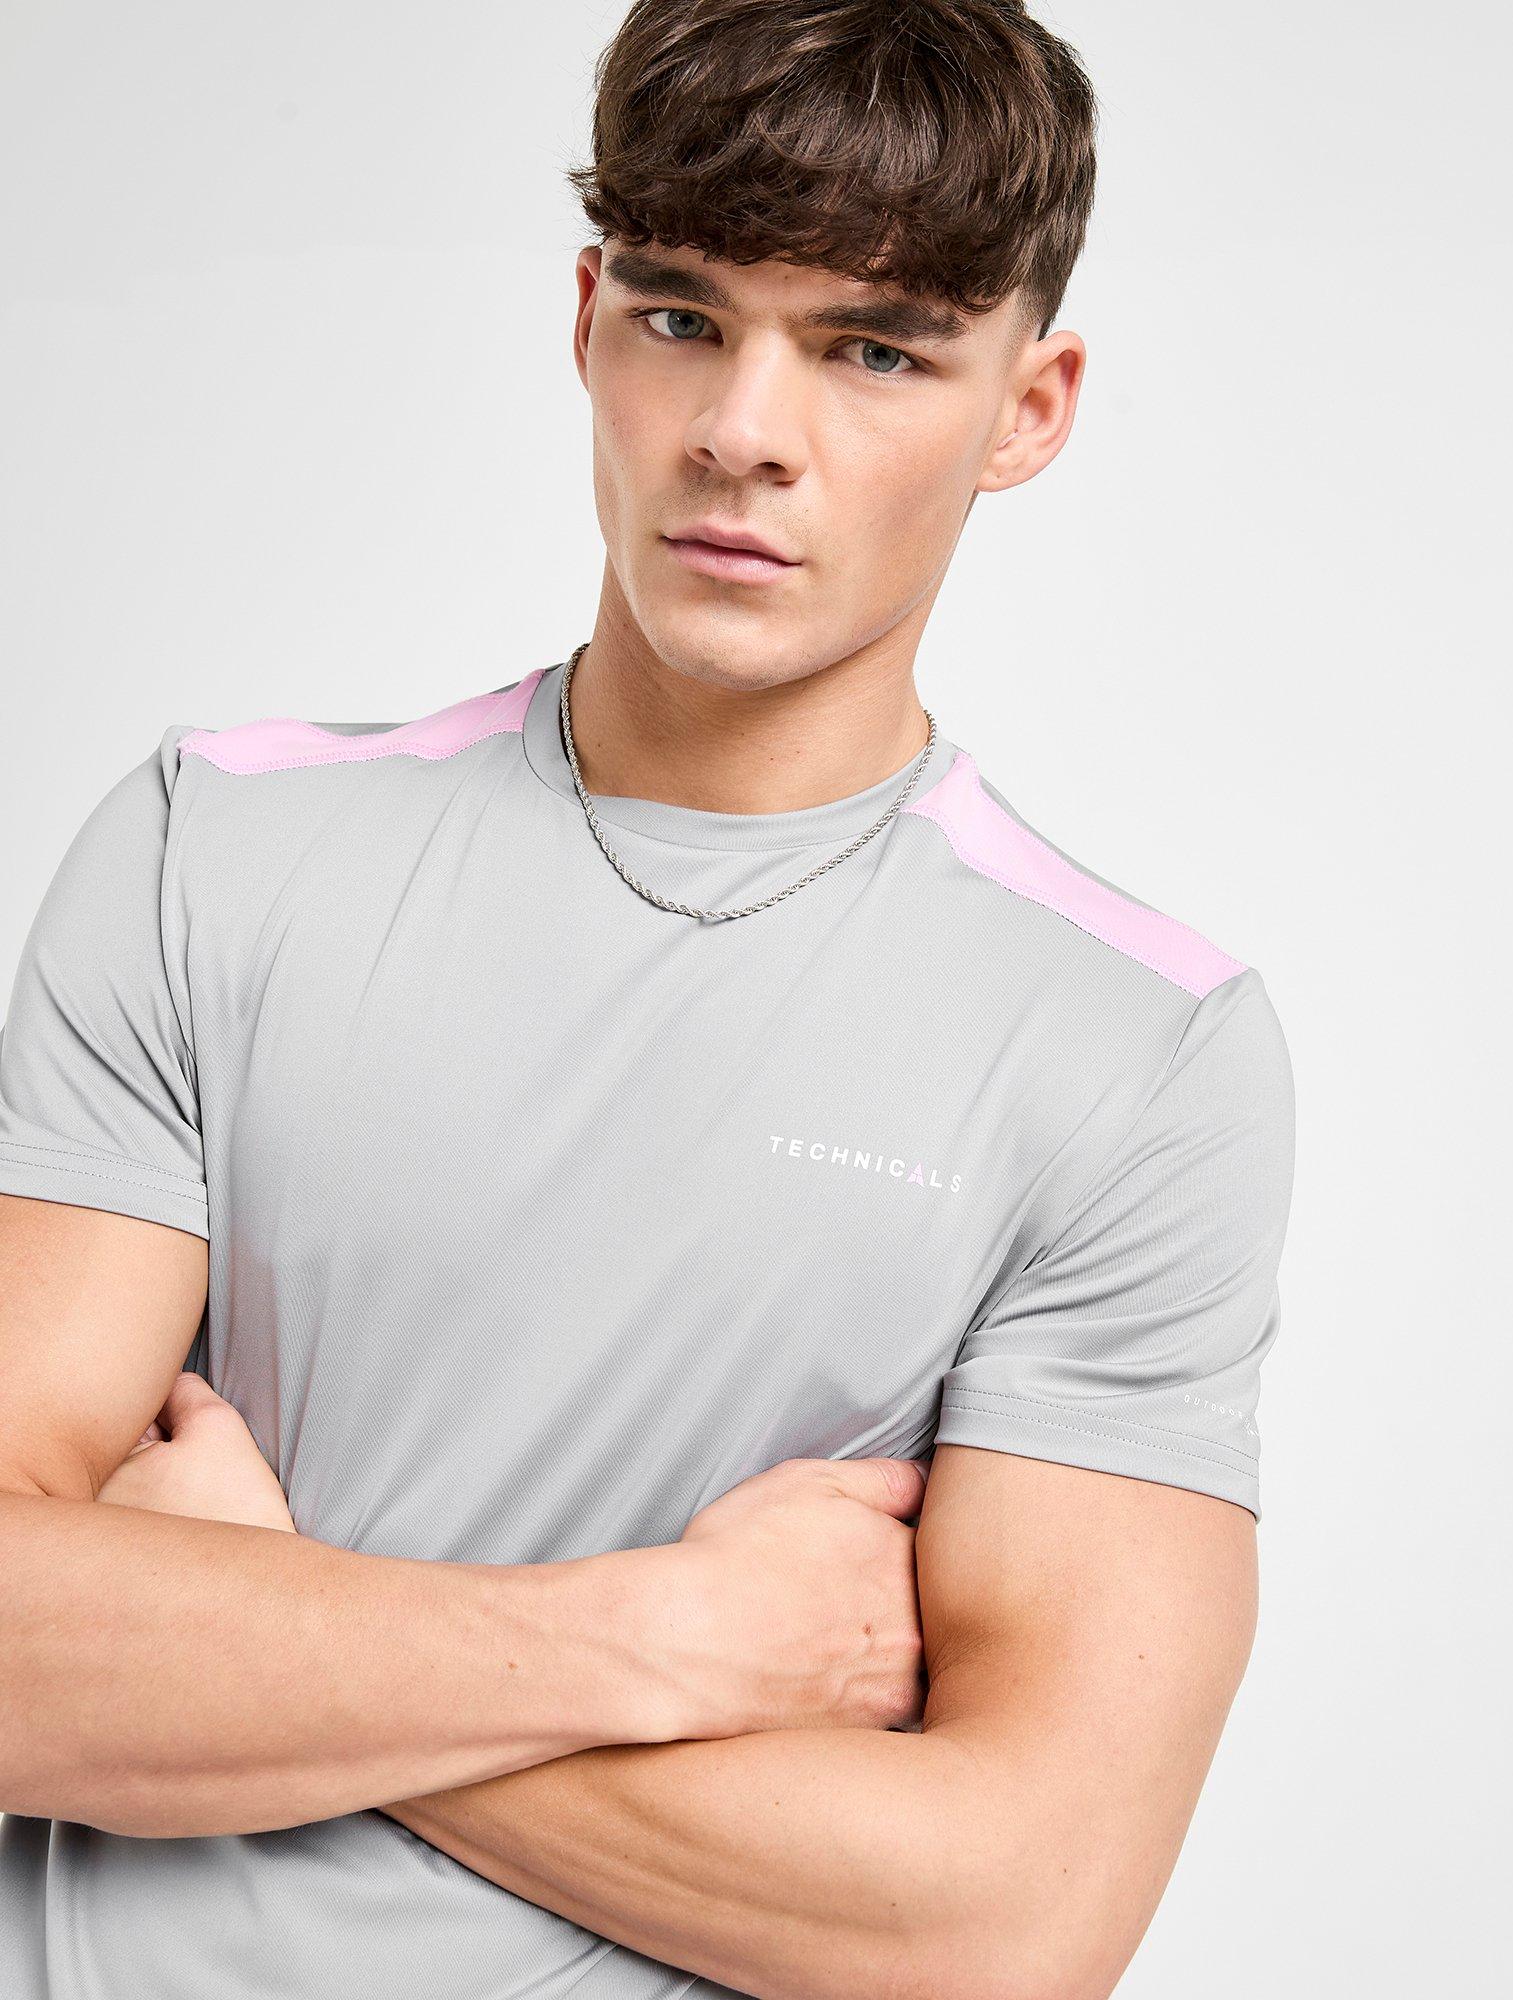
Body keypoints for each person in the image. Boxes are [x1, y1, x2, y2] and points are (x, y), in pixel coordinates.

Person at [0, 2, 1295, 1995]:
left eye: (873, 351)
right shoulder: (214, 849)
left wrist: (255, 1614)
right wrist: (667, 1645)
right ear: (590, 317)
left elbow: (1006, 1922)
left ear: (1028, 410)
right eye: (685, 317)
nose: (743, 431)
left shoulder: (1137, 1053)